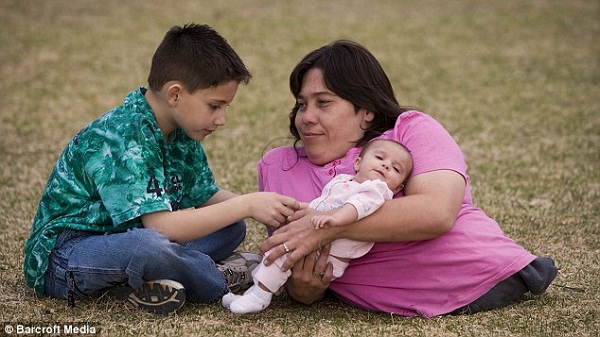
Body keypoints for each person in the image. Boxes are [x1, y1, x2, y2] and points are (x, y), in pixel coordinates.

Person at [256, 40, 558, 318]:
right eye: (301, 104)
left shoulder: (409, 131)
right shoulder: (277, 166)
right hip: (385, 303)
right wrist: (304, 292)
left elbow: (436, 213)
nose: (306, 116)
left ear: (367, 111)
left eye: (323, 103)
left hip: (481, 274)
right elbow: (293, 263)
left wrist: (323, 228)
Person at [23, 23, 300, 315]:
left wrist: (277, 209)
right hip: (68, 255)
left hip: (134, 236)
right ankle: (217, 279)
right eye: (215, 106)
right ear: (175, 95)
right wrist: (246, 203)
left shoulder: (180, 129)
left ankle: (148, 282)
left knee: (231, 225)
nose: (221, 119)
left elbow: (205, 195)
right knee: (148, 247)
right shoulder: (122, 135)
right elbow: (161, 227)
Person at [223, 139, 413, 314]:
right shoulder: (343, 182)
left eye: (396, 169)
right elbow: (323, 203)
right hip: (321, 240)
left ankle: (260, 297)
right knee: (277, 253)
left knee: (283, 255)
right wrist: (304, 209)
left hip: (330, 255)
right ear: (357, 163)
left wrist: (336, 220)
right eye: (380, 158)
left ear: (397, 188)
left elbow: (358, 207)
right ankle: (253, 292)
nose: (386, 165)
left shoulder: (376, 191)